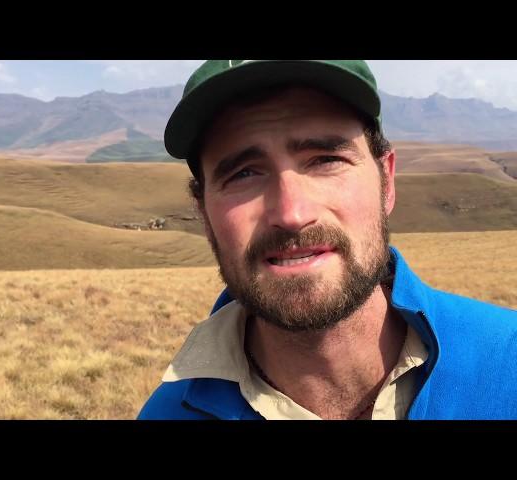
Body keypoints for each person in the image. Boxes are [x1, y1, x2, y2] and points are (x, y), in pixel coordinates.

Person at [137, 60, 517, 420]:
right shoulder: (166, 414)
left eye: (324, 160)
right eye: (244, 173)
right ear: (204, 214)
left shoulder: (507, 359)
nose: (292, 213)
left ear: (386, 183)